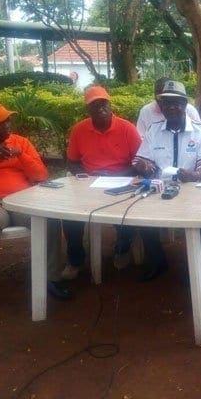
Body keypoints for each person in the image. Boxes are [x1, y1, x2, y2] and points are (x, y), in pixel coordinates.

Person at [0, 101, 72, 319]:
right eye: (1, 122)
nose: (8, 124)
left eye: (8, 119)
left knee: (50, 219)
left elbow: (40, 176)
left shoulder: (21, 143)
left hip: (23, 200)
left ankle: (52, 279)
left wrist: (20, 156)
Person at [133, 80, 201, 281]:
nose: (171, 107)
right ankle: (157, 260)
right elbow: (140, 159)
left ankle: (196, 266)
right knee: (139, 213)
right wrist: (143, 166)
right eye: (166, 103)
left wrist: (194, 175)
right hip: (161, 188)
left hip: (193, 189)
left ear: (185, 105)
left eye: (176, 103)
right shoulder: (153, 130)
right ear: (161, 106)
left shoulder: (200, 130)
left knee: (199, 219)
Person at [63, 86, 143, 278]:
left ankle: (122, 248)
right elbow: (72, 162)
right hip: (90, 183)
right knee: (69, 216)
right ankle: (76, 260)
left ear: (110, 104)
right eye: (95, 105)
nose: (100, 108)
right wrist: (85, 177)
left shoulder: (126, 128)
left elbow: (140, 162)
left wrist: (116, 177)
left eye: (103, 103)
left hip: (122, 180)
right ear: (88, 110)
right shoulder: (79, 130)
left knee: (126, 210)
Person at [136, 76, 201, 137]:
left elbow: (198, 132)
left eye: (173, 100)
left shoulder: (190, 110)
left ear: (185, 104)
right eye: (165, 100)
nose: (171, 107)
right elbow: (141, 136)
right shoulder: (146, 111)